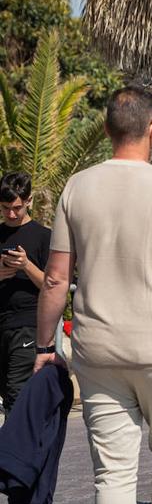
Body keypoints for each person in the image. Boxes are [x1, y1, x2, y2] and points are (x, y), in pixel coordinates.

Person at [35, 87, 152, 504]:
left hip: (98, 351)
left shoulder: (77, 188)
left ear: (106, 129)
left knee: (112, 473)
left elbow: (55, 278)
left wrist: (45, 344)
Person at [0, 172, 51, 415]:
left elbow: (53, 286)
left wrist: (26, 265)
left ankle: (12, 450)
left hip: (27, 324)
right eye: (5, 208)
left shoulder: (43, 237)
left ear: (29, 200)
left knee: (16, 391)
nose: (11, 214)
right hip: (2, 324)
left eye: (16, 208)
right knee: (5, 389)